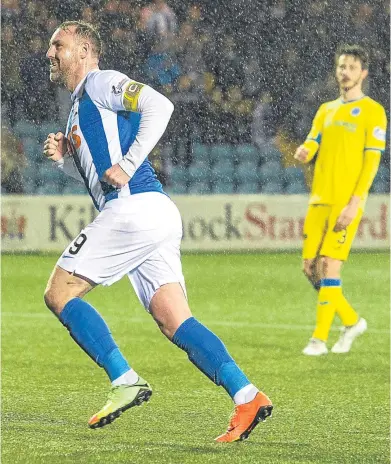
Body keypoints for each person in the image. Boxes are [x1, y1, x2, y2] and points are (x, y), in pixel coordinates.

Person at [43, 20, 272, 442]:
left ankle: (124, 378)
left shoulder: (101, 83)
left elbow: (160, 106)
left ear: (85, 50)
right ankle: (247, 395)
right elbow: (99, 182)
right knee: (173, 320)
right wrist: (64, 158)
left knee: (58, 293)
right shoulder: (78, 107)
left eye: (59, 44)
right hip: (150, 212)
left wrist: (129, 164)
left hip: (135, 210)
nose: (50, 52)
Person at [294, 44, 387, 356]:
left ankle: (318, 339)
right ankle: (351, 321)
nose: (344, 72)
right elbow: (313, 139)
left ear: (363, 73)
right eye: (341, 66)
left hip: (345, 202)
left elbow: (371, 163)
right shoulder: (326, 110)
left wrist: (355, 202)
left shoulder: (373, 112)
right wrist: (305, 151)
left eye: (351, 67)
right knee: (310, 269)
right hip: (319, 199)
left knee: (329, 265)